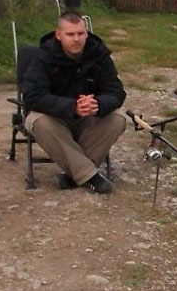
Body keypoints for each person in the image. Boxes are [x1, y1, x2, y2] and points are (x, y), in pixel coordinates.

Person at [21, 11, 127, 194]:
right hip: (56, 119)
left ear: (86, 33)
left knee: (118, 118)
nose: (76, 39)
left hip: (89, 119)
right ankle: (92, 176)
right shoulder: (44, 56)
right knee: (38, 121)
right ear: (58, 34)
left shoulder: (98, 54)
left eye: (80, 33)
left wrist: (98, 103)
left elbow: (116, 91)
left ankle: (74, 175)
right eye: (70, 34)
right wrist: (72, 107)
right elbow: (32, 96)